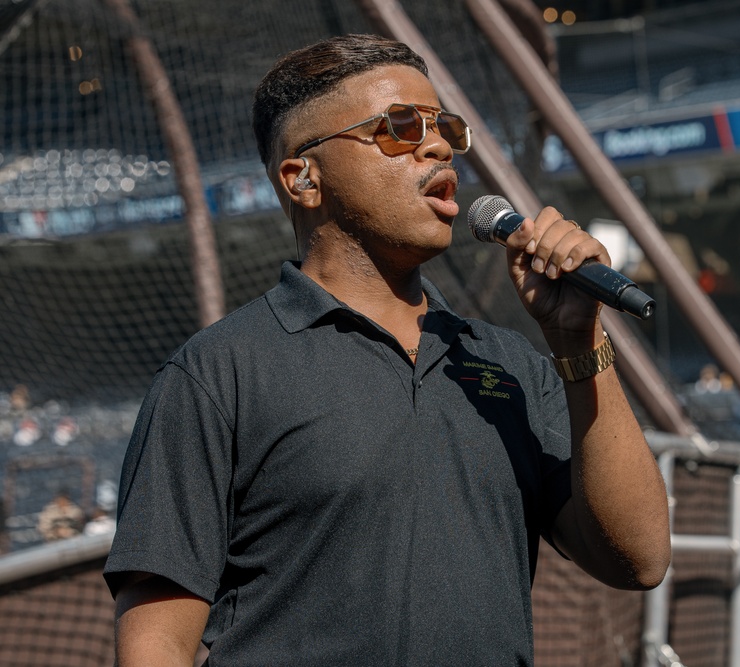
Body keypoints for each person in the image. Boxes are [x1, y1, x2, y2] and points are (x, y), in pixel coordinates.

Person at [105, 34, 671, 666]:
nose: (437, 145)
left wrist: (579, 338)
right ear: (304, 178)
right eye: (398, 127)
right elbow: (156, 641)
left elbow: (641, 558)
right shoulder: (217, 374)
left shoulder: (510, 366)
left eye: (445, 128)